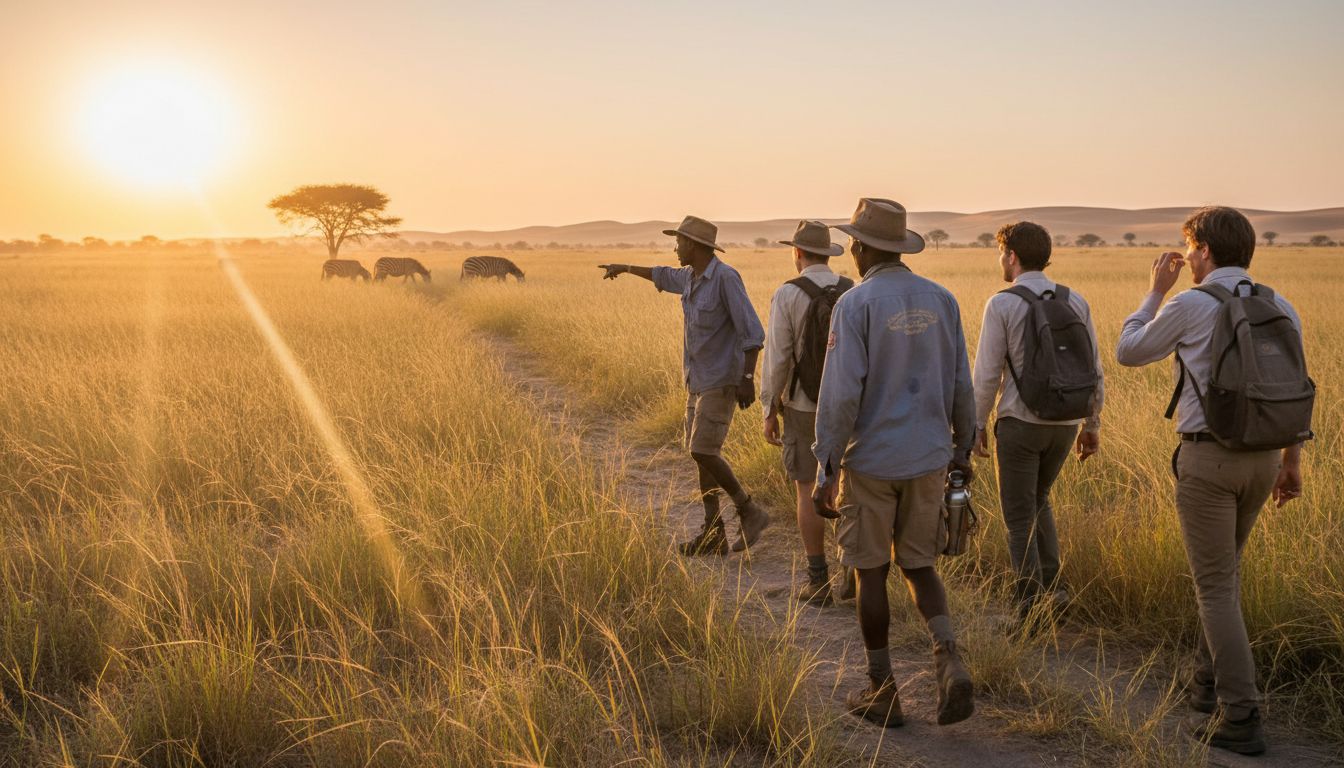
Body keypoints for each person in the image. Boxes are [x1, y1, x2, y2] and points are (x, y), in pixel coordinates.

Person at [1116, 206, 1307, 756]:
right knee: (1224, 578)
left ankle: (1241, 716)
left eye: (1191, 248)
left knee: (1216, 587)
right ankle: (1206, 685)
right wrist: (1291, 462)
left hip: (1209, 461)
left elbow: (1129, 352)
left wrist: (1154, 292)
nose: (1189, 258)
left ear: (1202, 249)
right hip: (1266, 458)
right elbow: (1293, 388)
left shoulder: (1192, 302)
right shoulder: (1279, 304)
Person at [812, 198, 976, 728]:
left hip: (872, 460)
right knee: (921, 565)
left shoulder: (855, 306)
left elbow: (839, 396)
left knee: (871, 571)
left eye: (854, 243)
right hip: (929, 456)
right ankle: (948, 660)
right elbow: (960, 383)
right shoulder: (943, 299)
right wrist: (961, 449)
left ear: (860, 247)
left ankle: (882, 689)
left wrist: (826, 467)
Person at [599, 215, 770, 555]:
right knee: (703, 456)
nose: (675, 247)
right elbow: (660, 274)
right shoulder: (690, 278)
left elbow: (753, 333)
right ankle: (714, 531)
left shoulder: (725, 278)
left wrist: (748, 378)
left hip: (721, 381)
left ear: (693, 244)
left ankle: (749, 510)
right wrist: (626, 267)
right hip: (697, 380)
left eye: (678, 241)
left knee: (701, 450)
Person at [971, 221, 1104, 630]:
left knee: (1017, 517)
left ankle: (1029, 609)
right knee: (1040, 499)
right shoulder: (1075, 300)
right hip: (1067, 421)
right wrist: (1092, 423)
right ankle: (1057, 593)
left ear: (1011, 256)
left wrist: (976, 424)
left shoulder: (1003, 303)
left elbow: (987, 374)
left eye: (1001, 253)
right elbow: (1095, 369)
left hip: (1021, 421)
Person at [761, 220, 851, 605]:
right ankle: (853, 574)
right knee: (851, 488)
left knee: (806, 488)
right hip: (851, 406)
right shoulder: (852, 290)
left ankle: (818, 581)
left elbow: (778, 357)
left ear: (797, 253)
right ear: (828, 254)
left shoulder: (788, 294)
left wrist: (769, 406)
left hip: (803, 404)